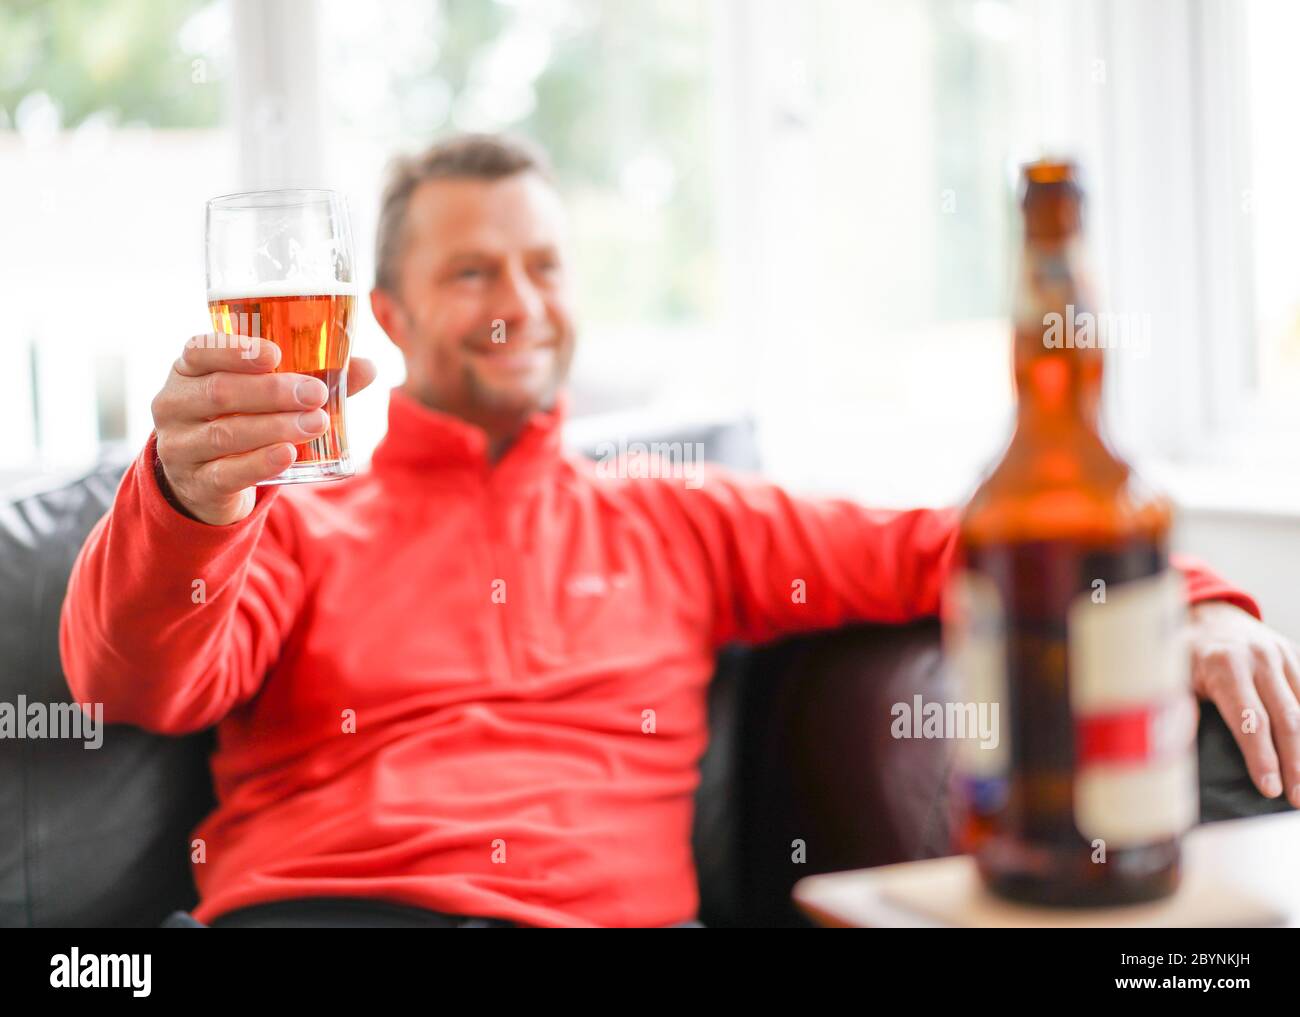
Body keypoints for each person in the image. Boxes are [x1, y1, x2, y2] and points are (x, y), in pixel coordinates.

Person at [59, 134, 1298, 929]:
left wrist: (1185, 601)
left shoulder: (675, 512)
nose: (521, 304)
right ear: (381, 311)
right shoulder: (290, 518)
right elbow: (129, 676)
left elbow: (958, 542)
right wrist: (189, 495)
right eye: (473, 273)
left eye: (544, 265)